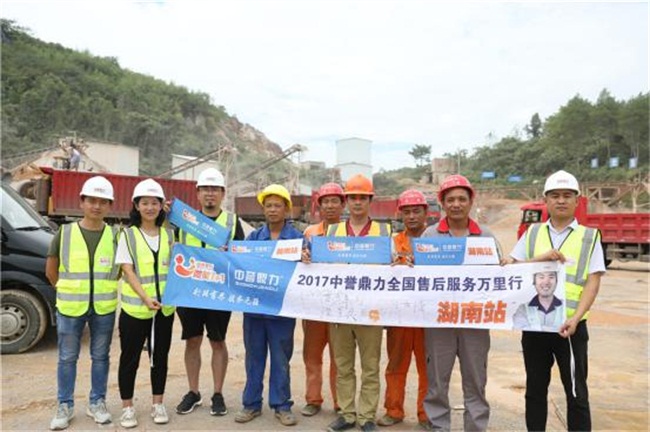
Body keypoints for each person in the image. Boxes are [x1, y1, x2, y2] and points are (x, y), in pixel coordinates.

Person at [505, 170, 605, 431]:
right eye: (555, 195)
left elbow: (593, 281)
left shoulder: (589, 236)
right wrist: (540, 259)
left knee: (576, 392)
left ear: (576, 201)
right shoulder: (532, 233)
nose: (561, 200)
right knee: (535, 390)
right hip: (535, 326)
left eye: (567, 195)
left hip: (570, 328)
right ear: (546, 201)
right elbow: (513, 269)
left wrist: (575, 318)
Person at [421, 174, 499, 432]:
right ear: (442, 203)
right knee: (437, 380)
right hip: (440, 321)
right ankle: (438, 426)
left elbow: (499, 277)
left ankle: (475, 428)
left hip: (474, 321)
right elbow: (420, 277)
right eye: (450, 199)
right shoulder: (430, 235)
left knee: (476, 380)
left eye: (461, 199)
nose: (456, 204)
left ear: (470, 202)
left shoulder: (486, 236)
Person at [46, 176, 120, 431]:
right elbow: (51, 270)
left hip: (103, 308)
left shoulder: (116, 236)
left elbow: (121, 271)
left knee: (100, 357)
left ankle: (97, 402)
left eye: (103, 202)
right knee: (67, 358)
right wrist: (66, 290)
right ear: (82, 202)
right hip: (70, 308)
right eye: (92, 200)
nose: (97, 206)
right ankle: (64, 405)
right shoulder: (64, 233)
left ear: (109, 205)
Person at [175, 168, 245, 417]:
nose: (210, 194)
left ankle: (217, 393)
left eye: (214, 189)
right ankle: (193, 392)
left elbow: (242, 256)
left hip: (218, 293)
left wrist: (231, 254)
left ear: (223, 193)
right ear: (197, 193)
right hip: (190, 292)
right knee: (192, 340)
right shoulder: (184, 221)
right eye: (205, 189)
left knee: (217, 341)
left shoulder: (232, 222)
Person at [325, 174, 391, 432]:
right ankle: (347, 414)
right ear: (347, 201)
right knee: (343, 366)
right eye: (352, 197)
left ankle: (366, 417)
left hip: (370, 311)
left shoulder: (384, 232)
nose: (357, 202)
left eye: (362, 197)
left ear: (370, 200)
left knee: (370, 367)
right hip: (340, 310)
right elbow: (321, 265)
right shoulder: (332, 231)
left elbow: (393, 266)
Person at [234, 184, 303, 427]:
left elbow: (308, 270)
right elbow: (239, 263)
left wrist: (306, 258)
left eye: (277, 205)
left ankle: (282, 405)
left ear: (286, 209)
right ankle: (251, 404)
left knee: (281, 359)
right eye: (269, 206)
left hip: (283, 310)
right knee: (254, 358)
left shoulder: (297, 239)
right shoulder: (254, 239)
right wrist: (228, 254)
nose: (273, 210)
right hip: (255, 309)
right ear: (263, 209)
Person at [116, 179, 175, 428]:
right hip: (135, 310)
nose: (150, 207)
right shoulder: (128, 235)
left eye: (154, 203)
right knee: (129, 359)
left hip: (164, 310)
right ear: (136, 206)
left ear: (162, 206)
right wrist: (145, 298)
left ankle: (157, 403)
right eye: (145, 203)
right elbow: (127, 270)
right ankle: (127, 408)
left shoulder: (169, 235)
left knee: (160, 358)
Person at [377, 189, 430, 430]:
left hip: (427, 316)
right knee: (396, 365)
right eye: (406, 212)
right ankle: (394, 410)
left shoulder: (436, 241)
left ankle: (426, 414)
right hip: (399, 315)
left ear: (425, 213)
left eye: (416, 211)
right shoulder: (393, 241)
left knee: (427, 369)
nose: (411, 216)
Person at [300, 183, 346, 417]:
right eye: (325, 202)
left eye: (334, 201)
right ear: (319, 206)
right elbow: (299, 262)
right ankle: (313, 399)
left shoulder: (349, 235)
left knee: (340, 357)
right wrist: (303, 257)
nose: (329, 206)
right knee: (312, 355)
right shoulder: (310, 233)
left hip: (340, 306)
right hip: (314, 307)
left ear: (342, 205)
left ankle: (341, 402)